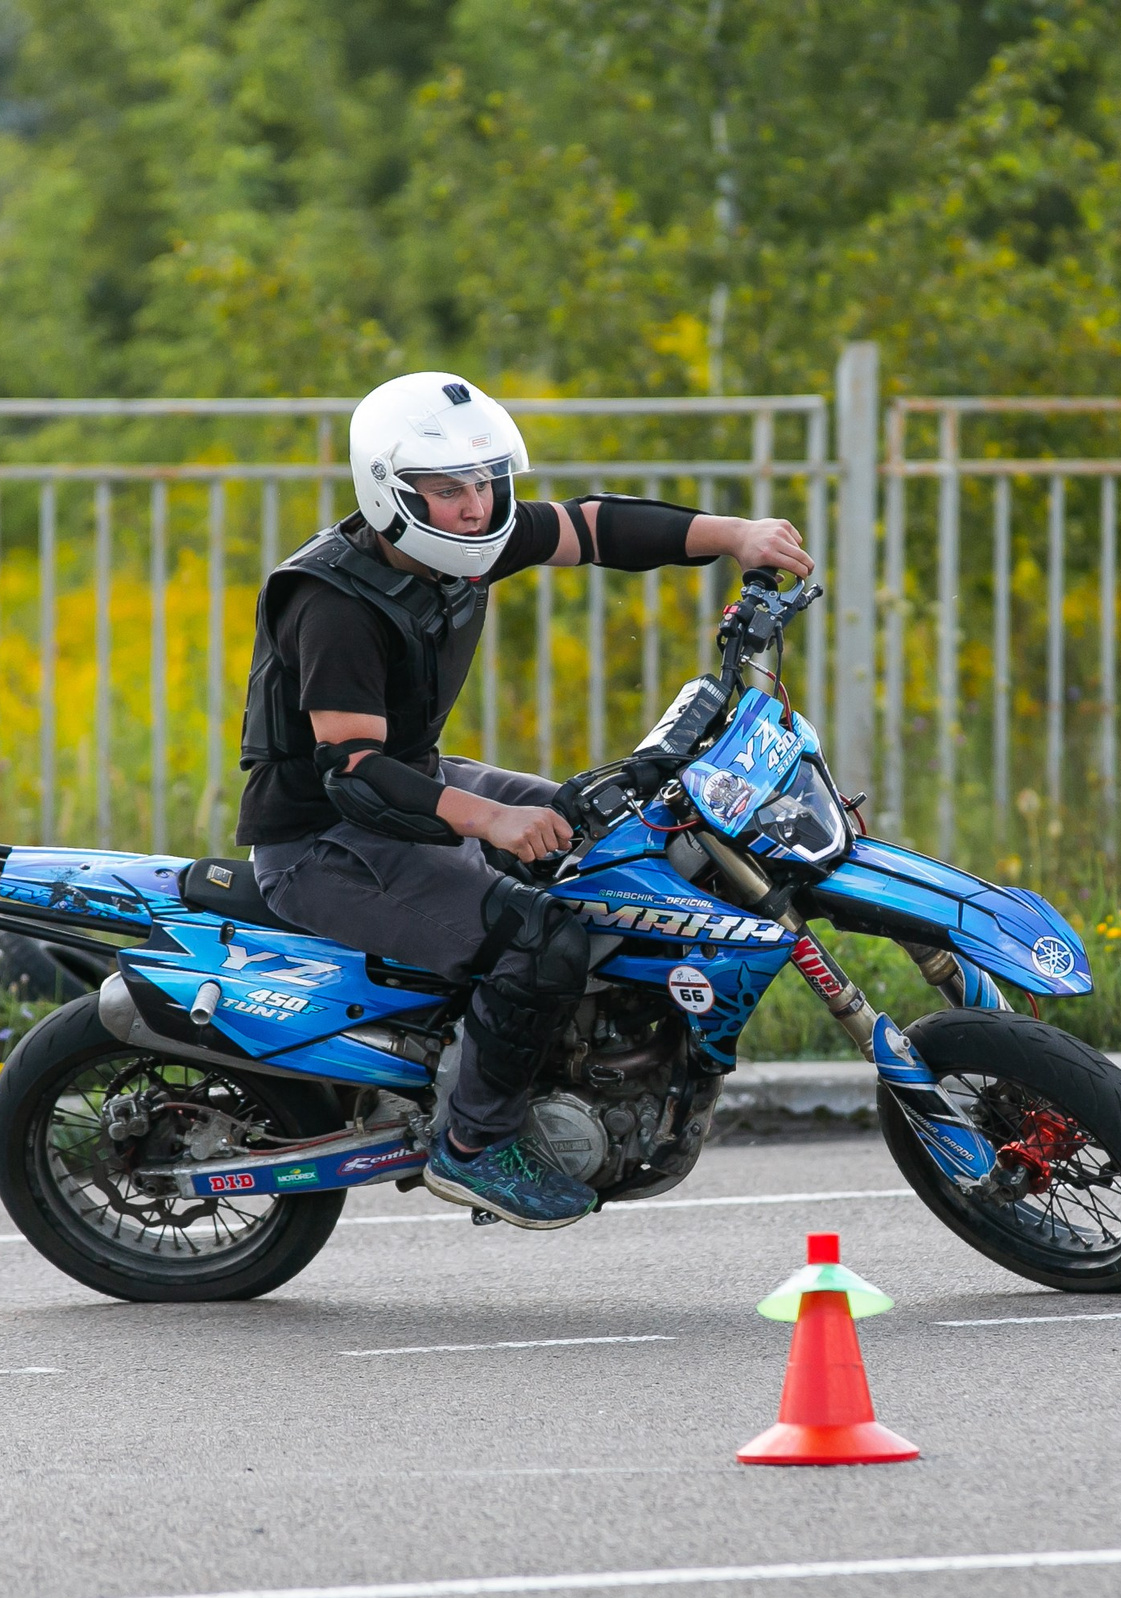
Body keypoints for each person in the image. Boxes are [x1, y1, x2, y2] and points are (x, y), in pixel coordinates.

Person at [235, 372, 814, 1231]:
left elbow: (591, 526)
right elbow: (352, 768)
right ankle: (473, 1142)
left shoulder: (456, 541)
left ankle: (570, 1059)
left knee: (614, 838)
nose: (475, 506)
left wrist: (734, 534)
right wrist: (493, 820)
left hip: (413, 781)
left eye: (484, 482)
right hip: (324, 839)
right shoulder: (332, 602)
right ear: (390, 492)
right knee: (541, 937)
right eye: (447, 489)